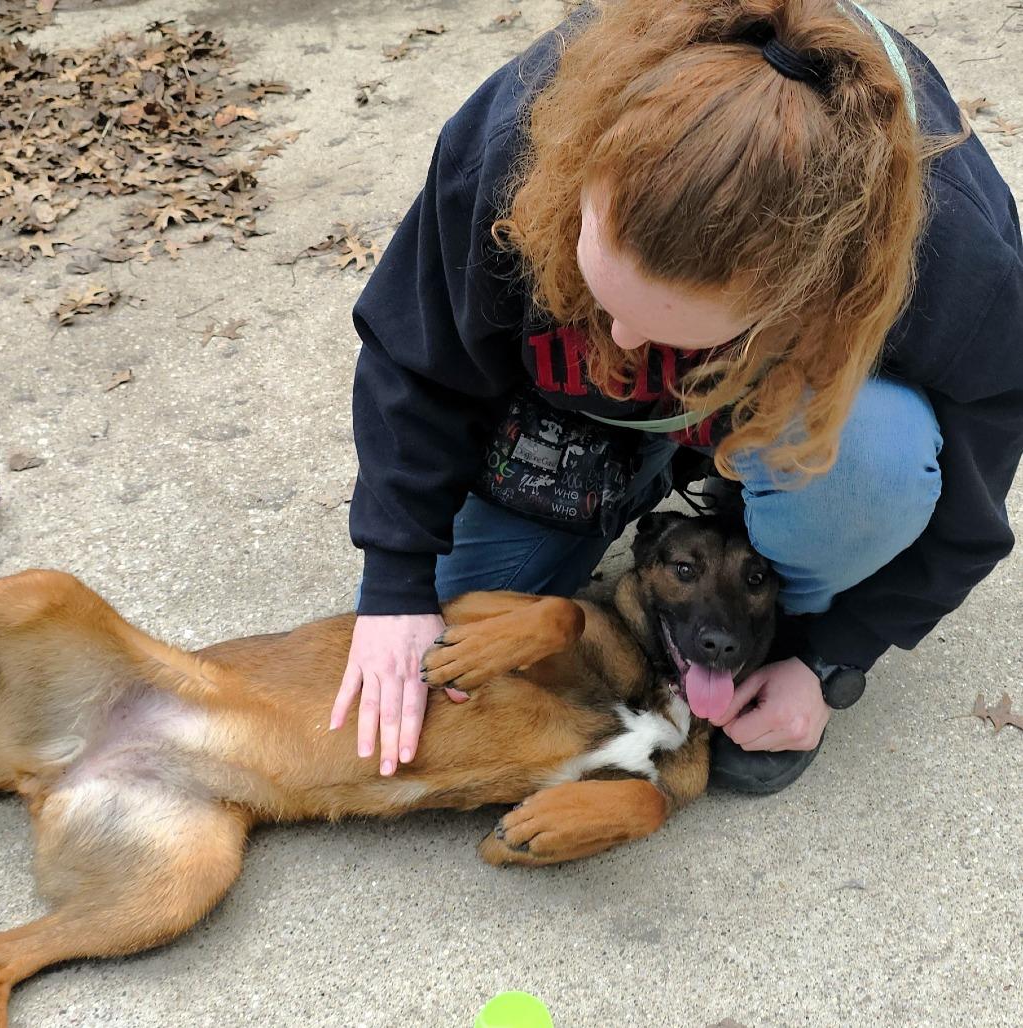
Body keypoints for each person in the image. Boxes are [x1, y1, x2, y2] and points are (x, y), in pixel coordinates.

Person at [330, 0, 1023, 793]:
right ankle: (633, 470)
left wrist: (829, 656)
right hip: (568, 418)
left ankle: (769, 554)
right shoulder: (514, 137)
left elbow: (974, 502)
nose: (621, 342)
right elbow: (416, 361)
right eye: (601, 297)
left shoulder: (951, 255)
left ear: (813, 291)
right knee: (444, 649)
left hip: (779, 414)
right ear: (578, 175)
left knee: (877, 467)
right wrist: (396, 581)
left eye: (679, 333)